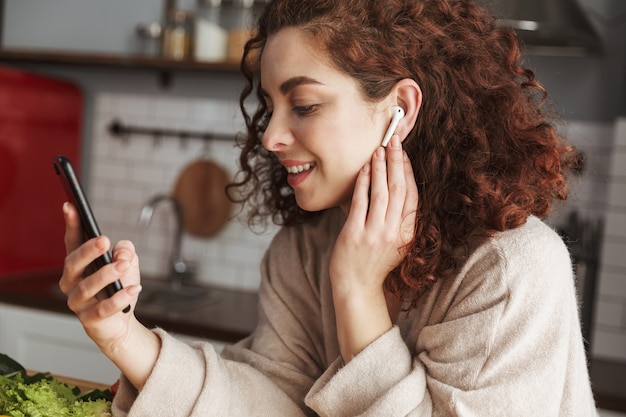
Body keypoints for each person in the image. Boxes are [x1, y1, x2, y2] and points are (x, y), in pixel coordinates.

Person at [59, 0, 598, 415]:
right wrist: (121, 335)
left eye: (305, 105)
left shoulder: (510, 272)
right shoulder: (303, 250)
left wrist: (357, 292)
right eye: (269, 107)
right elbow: (274, 402)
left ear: (400, 110)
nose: (270, 136)